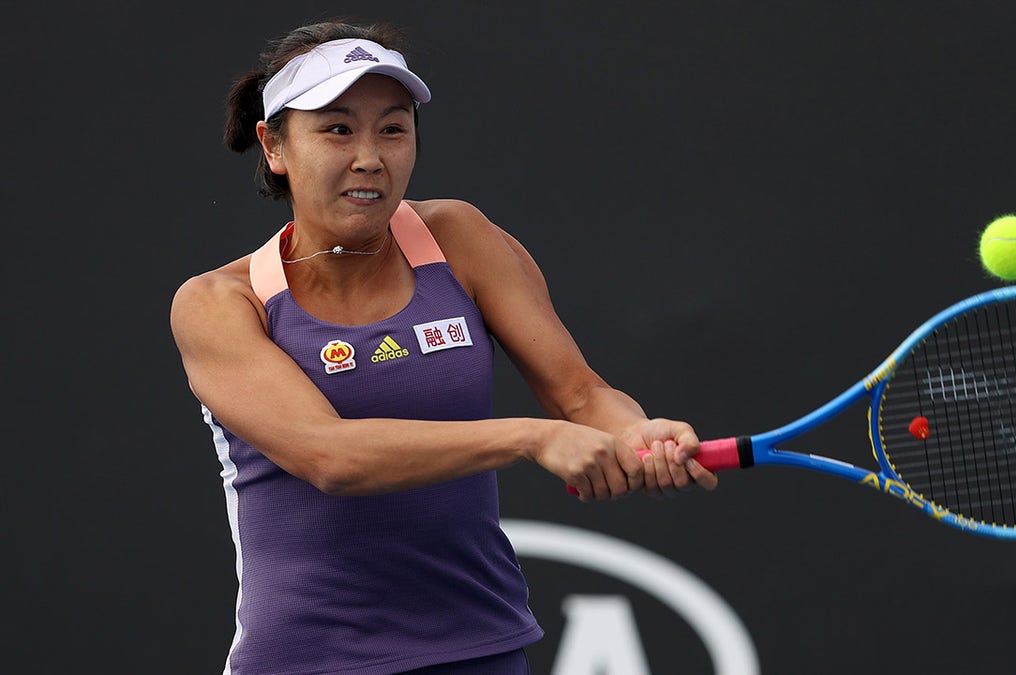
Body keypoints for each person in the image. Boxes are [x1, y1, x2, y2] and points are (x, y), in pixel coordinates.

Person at [169, 19, 717, 675]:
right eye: (338, 128)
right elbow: (330, 455)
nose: (370, 156)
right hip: (305, 661)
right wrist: (530, 438)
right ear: (274, 144)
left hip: (478, 650)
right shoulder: (219, 304)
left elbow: (581, 392)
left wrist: (640, 432)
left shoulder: (458, 237)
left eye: (393, 128)